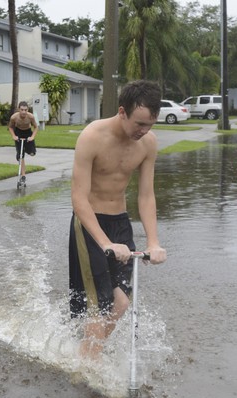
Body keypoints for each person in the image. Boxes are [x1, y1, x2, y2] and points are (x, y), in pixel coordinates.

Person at [69, 80, 167, 359]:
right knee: (99, 305)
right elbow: (78, 198)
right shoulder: (92, 137)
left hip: (120, 222)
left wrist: (153, 242)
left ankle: (86, 354)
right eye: (139, 124)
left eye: (150, 125)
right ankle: (90, 365)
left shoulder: (147, 143)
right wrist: (105, 243)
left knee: (121, 303)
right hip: (89, 225)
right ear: (122, 112)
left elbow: (146, 196)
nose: (144, 131)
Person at [8, 101, 38, 184]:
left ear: (27, 109)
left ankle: (23, 150)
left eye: (25, 110)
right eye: (22, 110)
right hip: (18, 133)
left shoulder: (31, 117)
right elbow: (10, 127)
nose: (24, 112)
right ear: (19, 109)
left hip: (28, 133)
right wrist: (13, 136)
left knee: (32, 153)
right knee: (21, 156)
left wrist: (32, 137)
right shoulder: (14, 117)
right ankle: (23, 175)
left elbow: (36, 127)